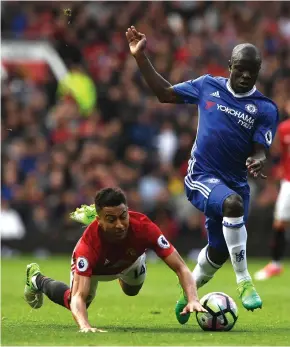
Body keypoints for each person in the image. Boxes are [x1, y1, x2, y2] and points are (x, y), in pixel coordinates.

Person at [125, 26, 279, 324]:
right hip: (202, 177)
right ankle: (245, 280)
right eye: (241, 69)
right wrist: (141, 58)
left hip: (235, 183)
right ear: (230, 67)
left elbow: (261, 149)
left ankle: (189, 293)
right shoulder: (208, 85)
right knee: (231, 205)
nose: (246, 76)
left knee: (220, 252)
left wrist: (258, 160)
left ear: (259, 71)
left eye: (252, 71)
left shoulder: (264, 108)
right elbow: (164, 94)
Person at [24, 187, 206, 333]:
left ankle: (124, 269)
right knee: (79, 302)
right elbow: (78, 297)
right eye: (111, 219)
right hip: (96, 269)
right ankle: (37, 279)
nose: (119, 224)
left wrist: (193, 299)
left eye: (123, 216)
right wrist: (85, 326)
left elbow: (181, 267)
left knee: (132, 291)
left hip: (130, 261)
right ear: (99, 220)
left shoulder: (144, 227)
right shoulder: (87, 247)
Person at [254, 118, 290, 280]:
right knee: (280, 222)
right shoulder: (284, 128)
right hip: (288, 181)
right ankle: (275, 264)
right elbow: (280, 156)